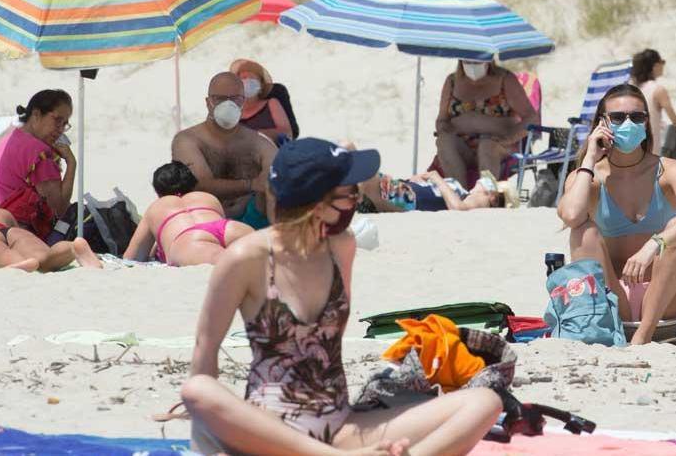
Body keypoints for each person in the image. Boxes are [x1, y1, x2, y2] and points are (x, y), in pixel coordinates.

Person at [181, 138, 502, 455]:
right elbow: (204, 352)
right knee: (198, 391)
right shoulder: (245, 258)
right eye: (350, 193)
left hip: (339, 424)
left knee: (484, 401)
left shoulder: (341, 247)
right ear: (317, 204)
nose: (358, 197)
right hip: (271, 431)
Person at [556, 84, 676, 344]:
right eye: (617, 117)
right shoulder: (589, 177)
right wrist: (589, 160)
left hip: (668, 302)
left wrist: (654, 243)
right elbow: (571, 215)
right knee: (583, 231)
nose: (628, 123)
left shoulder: (669, 170)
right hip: (614, 300)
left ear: (647, 122)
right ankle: (630, 330)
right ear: (601, 123)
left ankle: (643, 336)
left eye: (636, 117)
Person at [172, 72, 277, 230]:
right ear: (208, 103)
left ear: (243, 101)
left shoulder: (258, 143)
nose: (229, 105)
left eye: (235, 99)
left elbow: (278, 178)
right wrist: (251, 184)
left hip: (251, 221)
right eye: (220, 99)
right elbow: (200, 185)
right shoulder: (187, 140)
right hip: (205, 221)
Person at [0, 89, 76, 244]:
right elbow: (59, 209)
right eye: (57, 120)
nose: (60, 129)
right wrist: (71, 163)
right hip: (18, 231)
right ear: (36, 114)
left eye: (65, 124)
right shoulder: (39, 152)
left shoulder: (13, 138)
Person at [124, 161, 254, 266]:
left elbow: (132, 258)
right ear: (193, 185)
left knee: (224, 262)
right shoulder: (207, 197)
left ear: (158, 192)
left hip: (189, 239)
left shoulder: (156, 207)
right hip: (228, 228)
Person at [434, 58, 536, 185]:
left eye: (477, 60)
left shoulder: (504, 79)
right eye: (467, 60)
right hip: (464, 148)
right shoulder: (452, 82)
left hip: (498, 147)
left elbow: (532, 118)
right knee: (444, 142)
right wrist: (445, 128)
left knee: (487, 145)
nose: (472, 65)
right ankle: (459, 194)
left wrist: (509, 138)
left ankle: (486, 195)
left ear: (488, 59)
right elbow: (441, 120)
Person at [630, 49, 676, 157]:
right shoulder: (658, 90)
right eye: (662, 62)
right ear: (655, 66)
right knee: (675, 132)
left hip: (631, 150)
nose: (663, 65)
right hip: (651, 152)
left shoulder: (632, 89)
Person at [361, 170, 507, 213]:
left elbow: (459, 209)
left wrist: (437, 178)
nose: (480, 180)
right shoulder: (461, 191)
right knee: (350, 151)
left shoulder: (478, 199)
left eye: (487, 183)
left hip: (404, 197)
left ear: (493, 198)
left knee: (360, 172)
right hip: (400, 189)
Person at [232, 59, 294, 144]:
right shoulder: (232, 112)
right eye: (244, 78)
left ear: (261, 85)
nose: (247, 82)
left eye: (252, 78)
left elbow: (287, 133)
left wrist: (258, 134)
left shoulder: (271, 103)